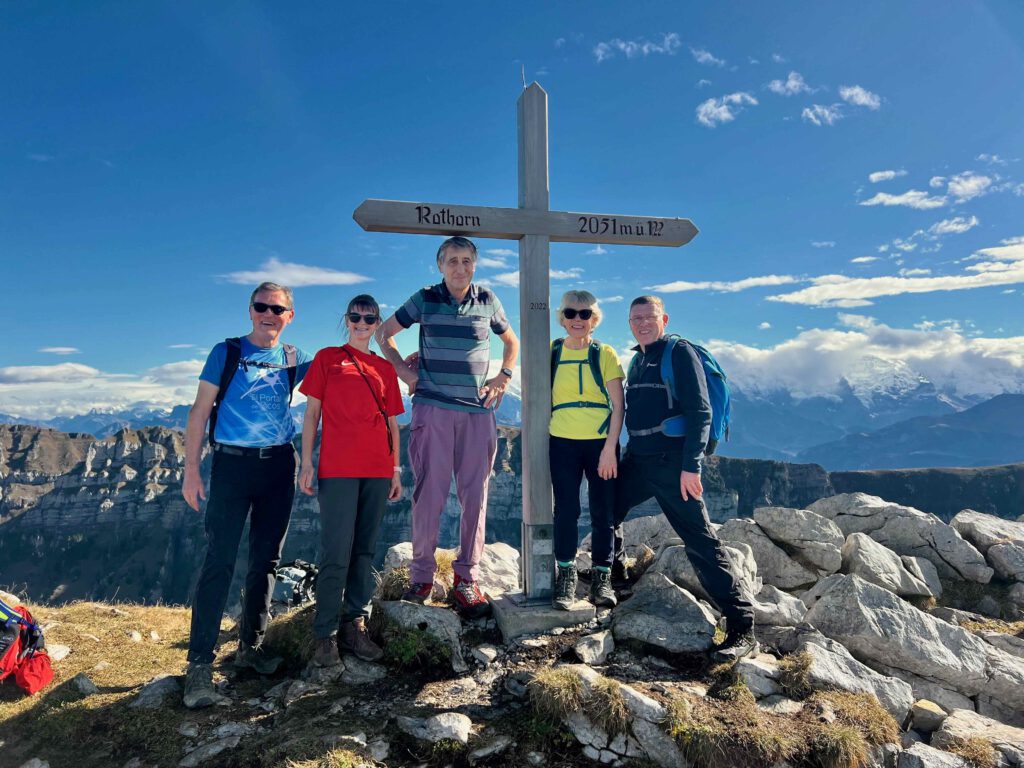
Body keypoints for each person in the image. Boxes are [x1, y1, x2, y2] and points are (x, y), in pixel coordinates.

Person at [181, 282, 312, 709]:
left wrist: (398, 362)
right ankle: (199, 665)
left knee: (266, 559)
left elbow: (338, 376)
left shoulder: (295, 358)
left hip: (279, 465)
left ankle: (250, 648)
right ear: (250, 310)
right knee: (219, 558)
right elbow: (200, 410)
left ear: (289, 316)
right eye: (261, 306)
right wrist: (191, 471)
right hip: (232, 466)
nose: (269, 314)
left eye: (278, 308)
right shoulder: (227, 352)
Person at [376, 236, 519, 617]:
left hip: (478, 412)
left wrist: (504, 376)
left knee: (476, 497)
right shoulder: (425, 298)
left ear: (475, 264)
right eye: (452, 260)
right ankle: (421, 577)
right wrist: (404, 371)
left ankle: (467, 578)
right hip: (433, 409)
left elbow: (511, 342)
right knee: (429, 495)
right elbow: (383, 333)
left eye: (466, 260)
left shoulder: (488, 300)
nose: (460, 267)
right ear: (440, 265)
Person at [613, 295, 756, 662]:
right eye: (636, 318)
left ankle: (742, 625)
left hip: (673, 465)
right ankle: (616, 576)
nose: (642, 323)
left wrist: (692, 466)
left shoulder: (679, 353)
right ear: (629, 323)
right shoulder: (639, 359)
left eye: (649, 317)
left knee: (699, 538)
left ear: (664, 319)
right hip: (638, 459)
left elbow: (700, 411)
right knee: (606, 507)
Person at [298, 295, 403, 666]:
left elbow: (393, 424)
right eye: (355, 317)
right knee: (336, 550)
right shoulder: (328, 358)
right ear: (347, 320)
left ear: (376, 324)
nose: (361, 323)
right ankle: (324, 635)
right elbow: (311, 415)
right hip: (337, 469)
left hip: (378, 469)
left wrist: (396, 470)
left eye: (369, 318)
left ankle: (354, 625)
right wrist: (306, 462)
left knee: (364, 549)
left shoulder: (384, 368)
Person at [549, 291, 625, 610]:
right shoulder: (551, 352)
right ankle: (566, 574)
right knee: (566, 510)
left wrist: (609, 449)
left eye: (585, 314)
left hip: (599, 443)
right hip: (561, 441)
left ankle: (601, 577)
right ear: (562, 318)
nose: (577, 319)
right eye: (571, 313)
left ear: (594, 319)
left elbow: (619, 406)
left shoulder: (604, 353)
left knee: (603, 511)